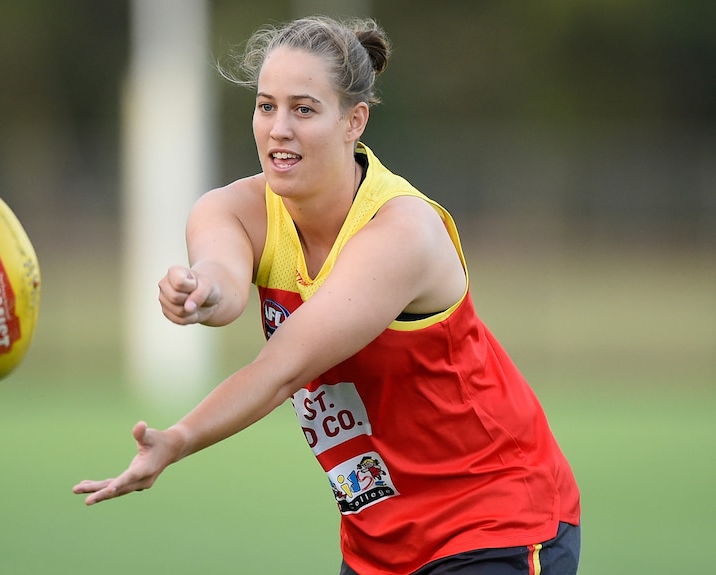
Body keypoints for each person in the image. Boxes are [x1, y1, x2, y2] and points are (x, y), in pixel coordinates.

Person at [74, 15, 581, 575]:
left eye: (304, 109)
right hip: (379, 540)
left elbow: (282, 369)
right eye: (266, 106)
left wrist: (178, 439)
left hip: (493, 515)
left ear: (353, 121)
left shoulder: (400, 231)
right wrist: (200, 292)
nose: (278, 128)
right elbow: (223, 280)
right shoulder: (232, 209)